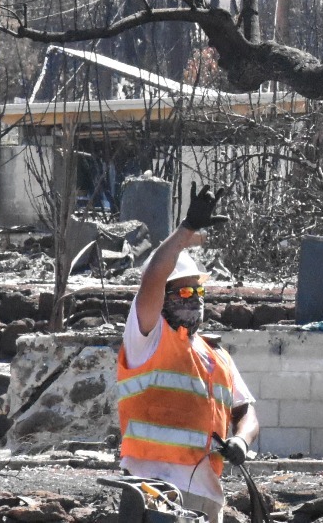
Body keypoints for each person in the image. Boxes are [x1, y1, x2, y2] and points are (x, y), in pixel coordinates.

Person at [117, 182, 259, 523]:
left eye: (198, 290)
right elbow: (153, 277)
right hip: (153, 491)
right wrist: (187, 230)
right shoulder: (148, 338)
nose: (194, 297)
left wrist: (241, 439)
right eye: (183, 292)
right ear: (163, 297)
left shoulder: (216, 356)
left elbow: (246, 411)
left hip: (206, 496)